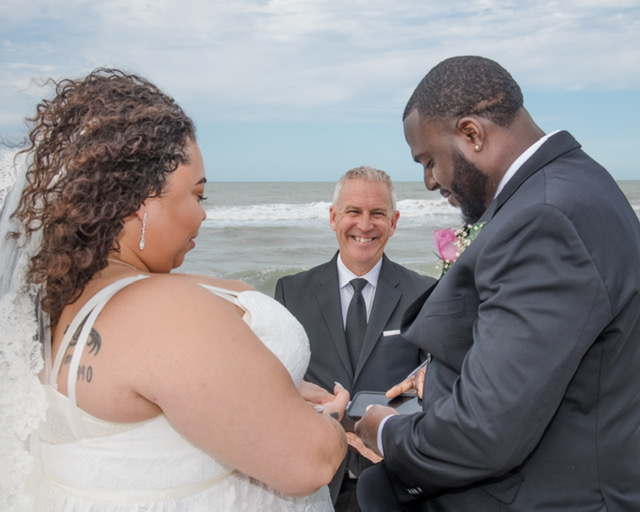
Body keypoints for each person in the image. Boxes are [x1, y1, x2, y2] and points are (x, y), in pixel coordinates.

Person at [0, 68, 349, 511]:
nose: (203, 216)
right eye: (198, 196)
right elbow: (309, 462)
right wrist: (329, 421)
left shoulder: (61, 304)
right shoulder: (163, 310)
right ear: (140, 202)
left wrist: (264, 392)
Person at [354, 55, 640, 510]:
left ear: (472, 134)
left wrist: (383, 430)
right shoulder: (570, 185)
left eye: (429, 159)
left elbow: (483, 433)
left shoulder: (545, 218)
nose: (429, 181)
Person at [274, 167, 435, 511]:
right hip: (315, 477)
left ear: (394, 222)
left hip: (394, 478)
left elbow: (434, 383)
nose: (365, 225)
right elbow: (275, 384)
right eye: (353, 212)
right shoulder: (291, 292)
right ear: (333, 218)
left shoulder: (425, 292)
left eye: (378, 213)